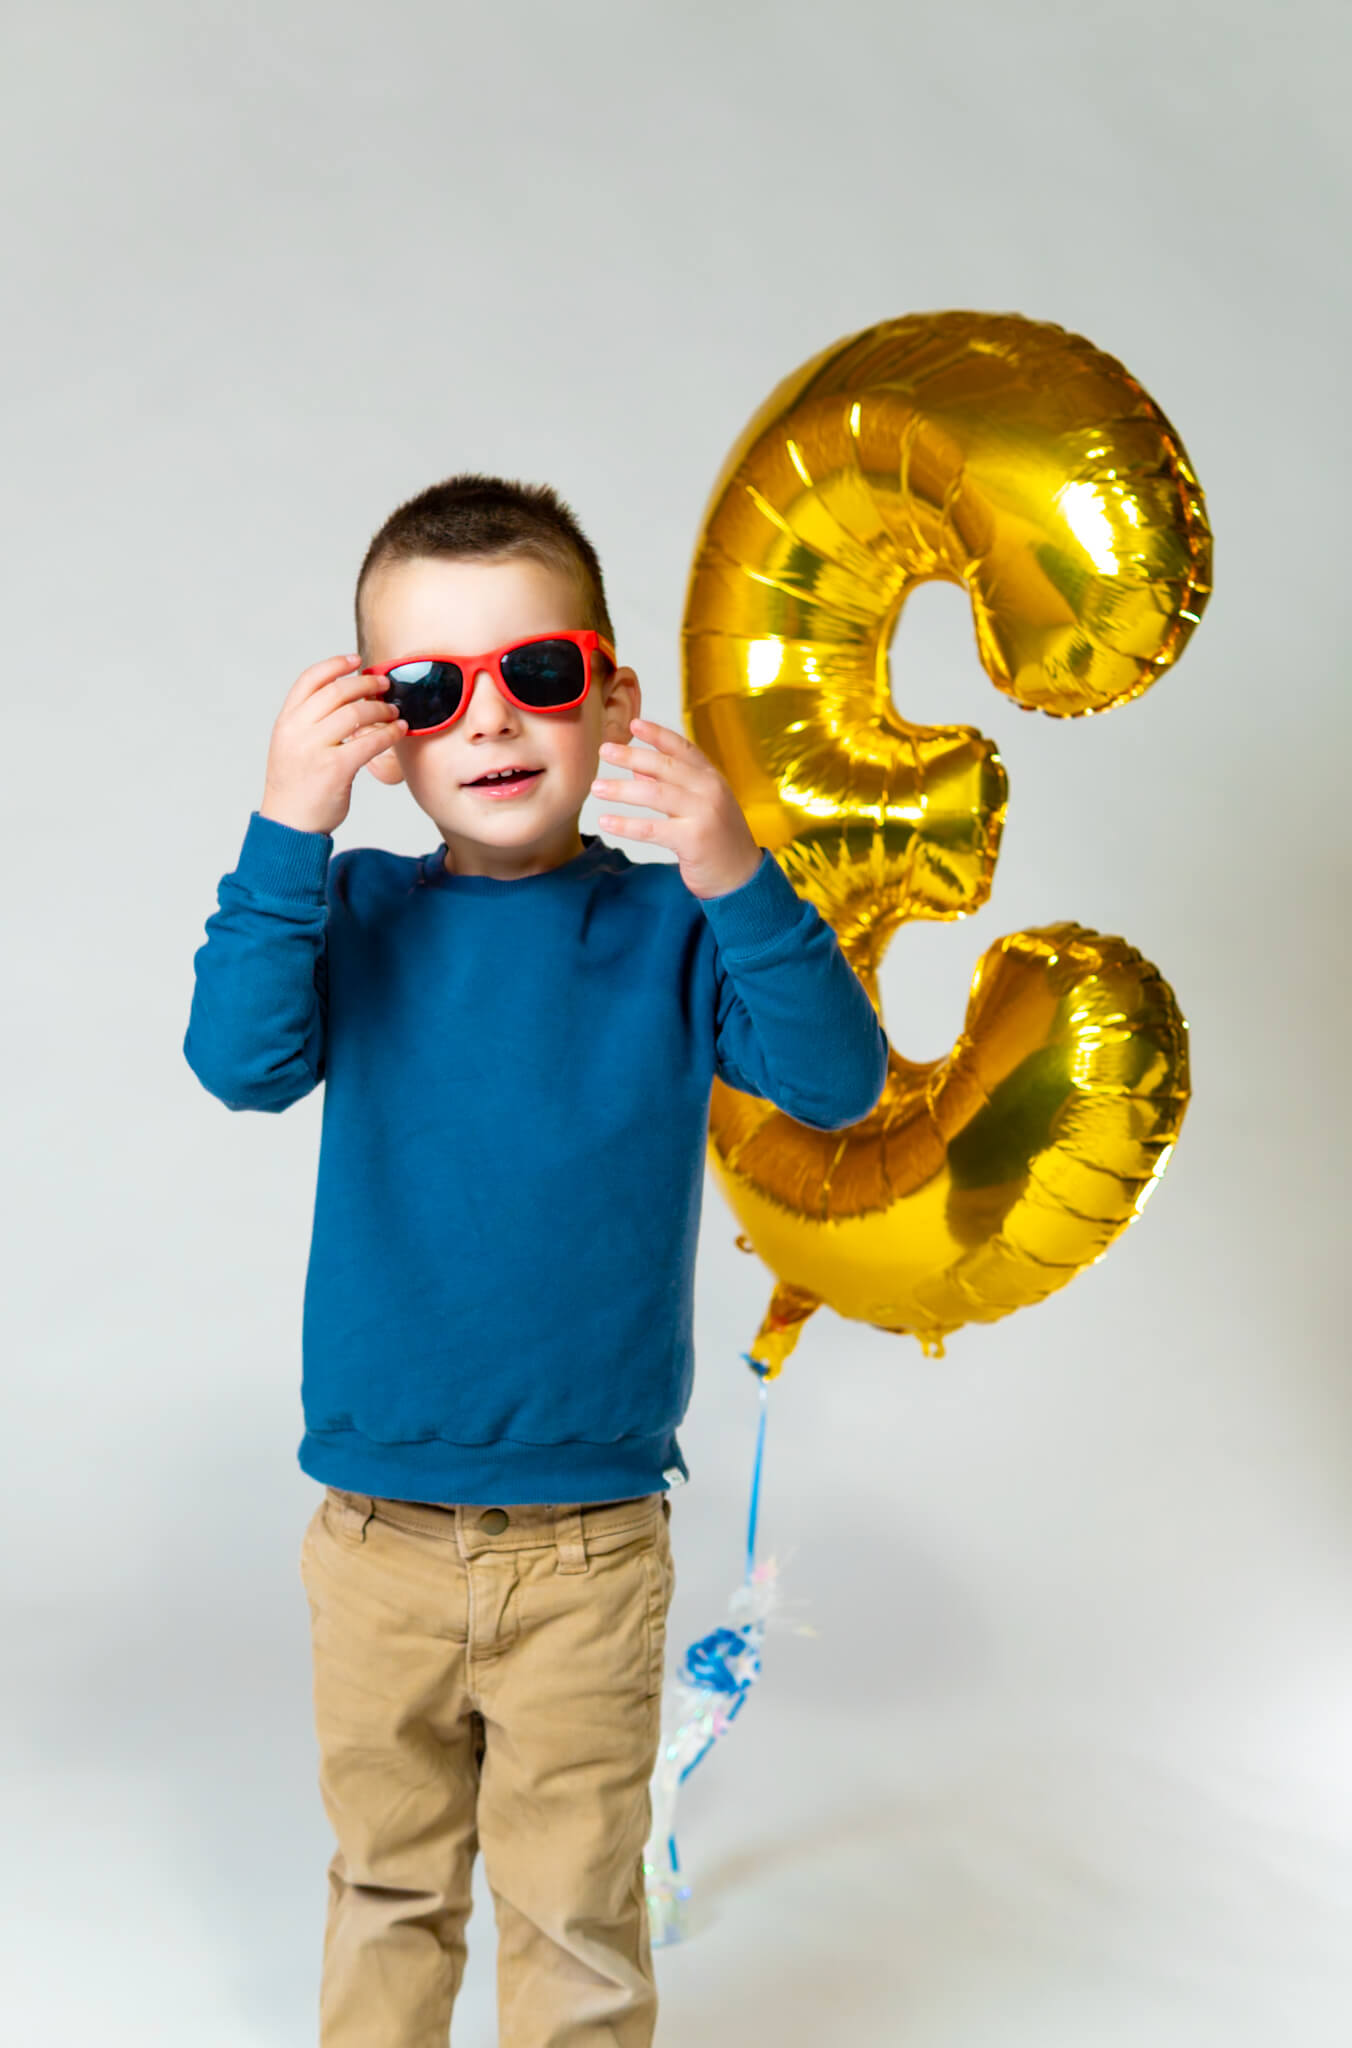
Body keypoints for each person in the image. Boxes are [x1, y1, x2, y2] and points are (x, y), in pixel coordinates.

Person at [182, 472, 889, 2048]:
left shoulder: (675, 932)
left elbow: (836, 1083)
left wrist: (731, 862)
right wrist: (286, 826)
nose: (491, 720)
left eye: (540, 675)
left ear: (610, 696)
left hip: (587, 1550)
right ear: (380, 729)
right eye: (429, 690)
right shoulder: (350, 911)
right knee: (386, 1888)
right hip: (373, 1538)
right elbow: (237, 1063)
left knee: (573, 1914)